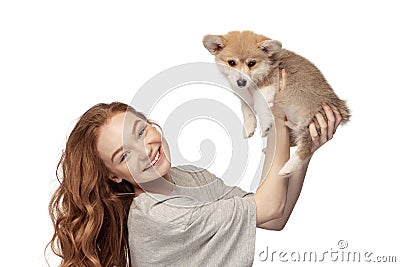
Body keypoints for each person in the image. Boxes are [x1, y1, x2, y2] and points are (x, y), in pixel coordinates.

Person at [47, 70, 342, 266]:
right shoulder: (158, 215)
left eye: (140, 131)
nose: (146, 148)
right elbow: (270, 208)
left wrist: (303, 150)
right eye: (124, 156)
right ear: (114, 176)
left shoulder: (189, 177)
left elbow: (272, 217)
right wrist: (276, 113)